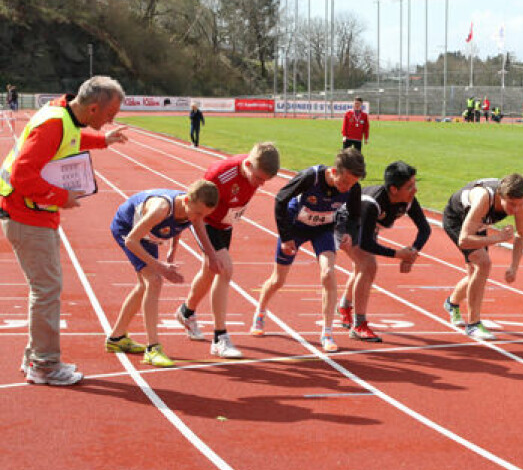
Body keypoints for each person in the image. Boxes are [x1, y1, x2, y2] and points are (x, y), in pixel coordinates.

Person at [0, 75, 128, 385]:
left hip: (33, 214)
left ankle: (35, 357)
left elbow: (70, 140)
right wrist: (61, 197)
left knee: (46, 289)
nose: (112, 120)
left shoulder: (65, 115)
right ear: (93, 108)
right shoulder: (54, 123)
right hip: (25, 216)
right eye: (110, 114)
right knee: (46, 291)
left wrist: (103, 140)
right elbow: (21, 176)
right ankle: (44, 365)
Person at [250, 148, 364, 353]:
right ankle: (260, 311)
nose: (346, 187)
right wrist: (286, 237)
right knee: (278, 280)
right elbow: (280, 199)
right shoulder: (311, 177)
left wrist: (349, 233)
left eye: (351, 184)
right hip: (295, 227)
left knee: (328, 273)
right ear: (334, 171)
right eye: (344, 182)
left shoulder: (353, 188)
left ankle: (327, 332)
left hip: (323, 229)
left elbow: (355, 215)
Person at [175, 142, 280, 358]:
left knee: (210, 270)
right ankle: (219, 338)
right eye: (258, 179)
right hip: (205, 222)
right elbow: (195, 210)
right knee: (224, 269)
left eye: (265, 181)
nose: (260, 185)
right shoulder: (219, 175)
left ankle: (186, 312)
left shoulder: (254, 171)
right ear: (248, 165)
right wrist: (208, 249)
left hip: (225, 223)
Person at [106, 181, 220, 367]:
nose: (199, 218)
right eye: (198, 213)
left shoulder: (192, 209)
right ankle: (153, 349)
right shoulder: (160, 209)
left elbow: (189, 225)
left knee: (144, 285)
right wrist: (161, 267)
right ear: (186, 201)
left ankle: (116, 338)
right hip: (128, 229)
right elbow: (131, 241)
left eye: (204, 215)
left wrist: (211, 257)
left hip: (149, 234)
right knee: (154, 280)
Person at [337, 160, 431, 342]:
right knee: (368, 265)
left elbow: (424, 228)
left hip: (367, 226)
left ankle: (344, 306)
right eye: (410, 187)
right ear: (394, 189)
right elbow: (365, 243)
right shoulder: (371, 204)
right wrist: (398, 254)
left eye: (415, 184)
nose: (415, 190)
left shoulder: (408, 200)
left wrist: (412, 253)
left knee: (362, 267)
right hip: (345, 224)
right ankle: (359, 325)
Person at [442, 174, 523, 340]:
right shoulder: (483, 198)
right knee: (483, 263)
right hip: (457, 220)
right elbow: (464, 240)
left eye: (520, 204)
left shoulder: (521, 207)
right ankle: (473, 324)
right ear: (500, 195)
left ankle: (452, 303)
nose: (515, 210)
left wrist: (514, 266)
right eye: (511, 204)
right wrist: (498, 238)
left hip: (479, 223)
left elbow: (521, 235)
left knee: (474, 275)